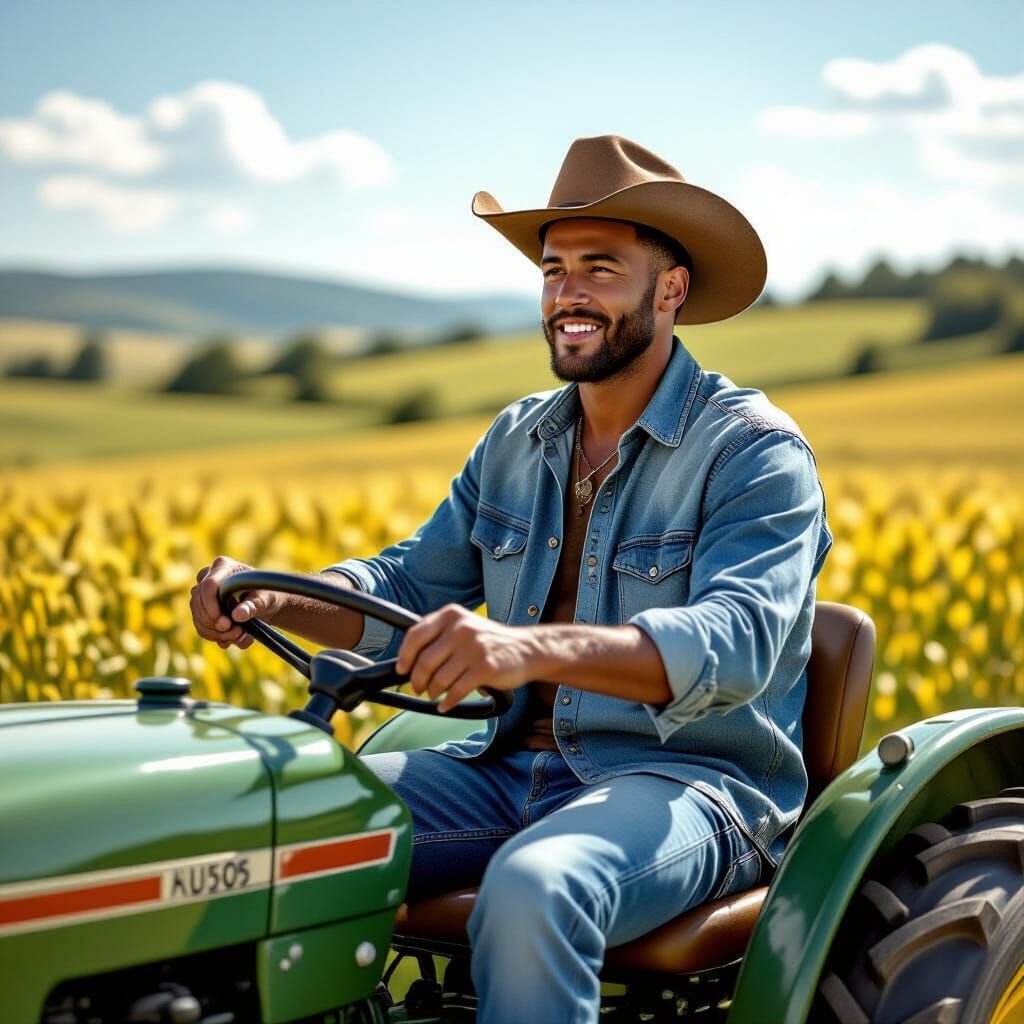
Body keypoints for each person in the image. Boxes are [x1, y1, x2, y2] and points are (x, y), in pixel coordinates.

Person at [190, 135, 833, 1024]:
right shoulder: (518, 438)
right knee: (263, 833)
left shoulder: (755, 451)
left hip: (685, 785)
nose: (568, 294)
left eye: (600, 269)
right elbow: (409, 585)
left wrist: (522, 645)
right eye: (554, 269)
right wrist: (282, 596)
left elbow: (738, 642)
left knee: (538, 885)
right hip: (498, 770)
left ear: (671, 289)